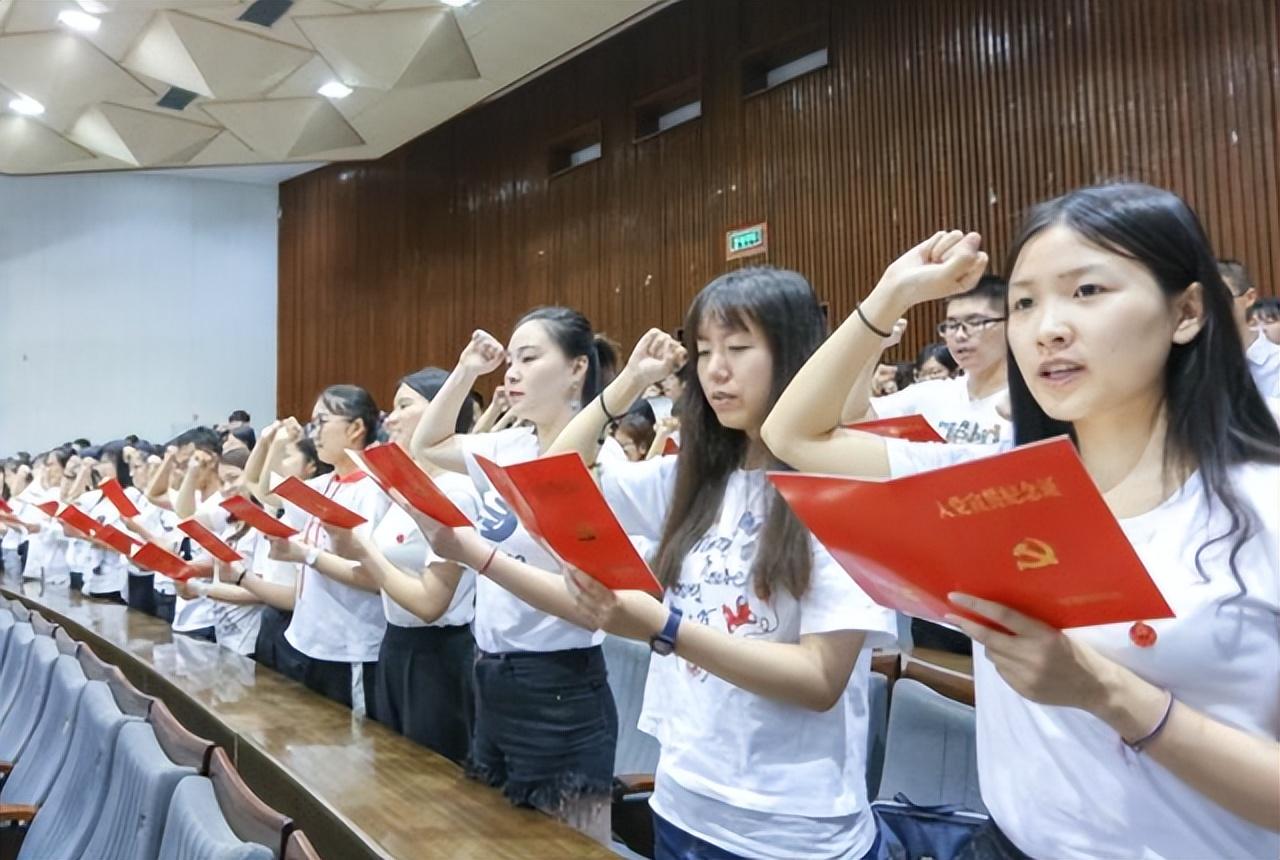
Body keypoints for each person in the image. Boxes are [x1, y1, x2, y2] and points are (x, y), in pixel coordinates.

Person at [762, 183, 1280, 859]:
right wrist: (892, 294)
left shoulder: (1262, 504)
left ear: (1186, 311)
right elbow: (793, 434)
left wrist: (1107, 693)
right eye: (1024, 303)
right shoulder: (999, 485)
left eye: (1087, 291)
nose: (1047, 329)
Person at [416, 276, 897, 858]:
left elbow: (820, 680)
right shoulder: (690, 480)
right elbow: (556, 475)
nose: (715, 370)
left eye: (738, 348)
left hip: (790, 829)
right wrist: (625, 386)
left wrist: (664, 627)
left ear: (795, 354)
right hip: (681, 801)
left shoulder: (843, 490)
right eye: (703, 351)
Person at [409, 306, 623, 842]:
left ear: (577, 369)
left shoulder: (604, 462)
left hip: (560, 689)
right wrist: (466, 370)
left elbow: (589, 604)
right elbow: (427, 445)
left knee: (562, 848)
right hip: (490, 675)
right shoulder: (511, 445)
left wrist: (477, 556)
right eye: (511, 361)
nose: (513, 373)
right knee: (492, 838)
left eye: (529, 359)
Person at [318, 366, 480, 762]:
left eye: (405, 406)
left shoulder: (455, 491)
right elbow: (382, 566)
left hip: (437, 656)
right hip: (396, 644)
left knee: (429, 779)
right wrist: (344, 542)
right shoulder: (405, 487)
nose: (390, 419)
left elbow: (429, 604)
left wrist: (362, 551)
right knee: (390, 769)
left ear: (442, 411)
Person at [258, 386, 391, 715]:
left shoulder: (373, 490)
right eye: (312, 424)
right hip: (310, 639)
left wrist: (305, 555)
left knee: (351, 741)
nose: (313, 433)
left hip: (349, 645)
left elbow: (374, 578)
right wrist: (277, 444)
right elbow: (267, 493)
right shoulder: (326, 484)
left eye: (322, 422)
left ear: (356, 428)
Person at [850, 275, 1011, 444]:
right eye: (952, 325)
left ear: (1010, 325)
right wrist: (874, 348)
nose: (960, 335)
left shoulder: (1025, 401)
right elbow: (858, 420)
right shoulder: (932, 393)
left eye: (975, 322)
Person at [1221, 259, 1280, 398]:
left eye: (1222, 298)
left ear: (1249, 297)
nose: (1214, 307)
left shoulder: (1276, 363)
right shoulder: (1197, 364)